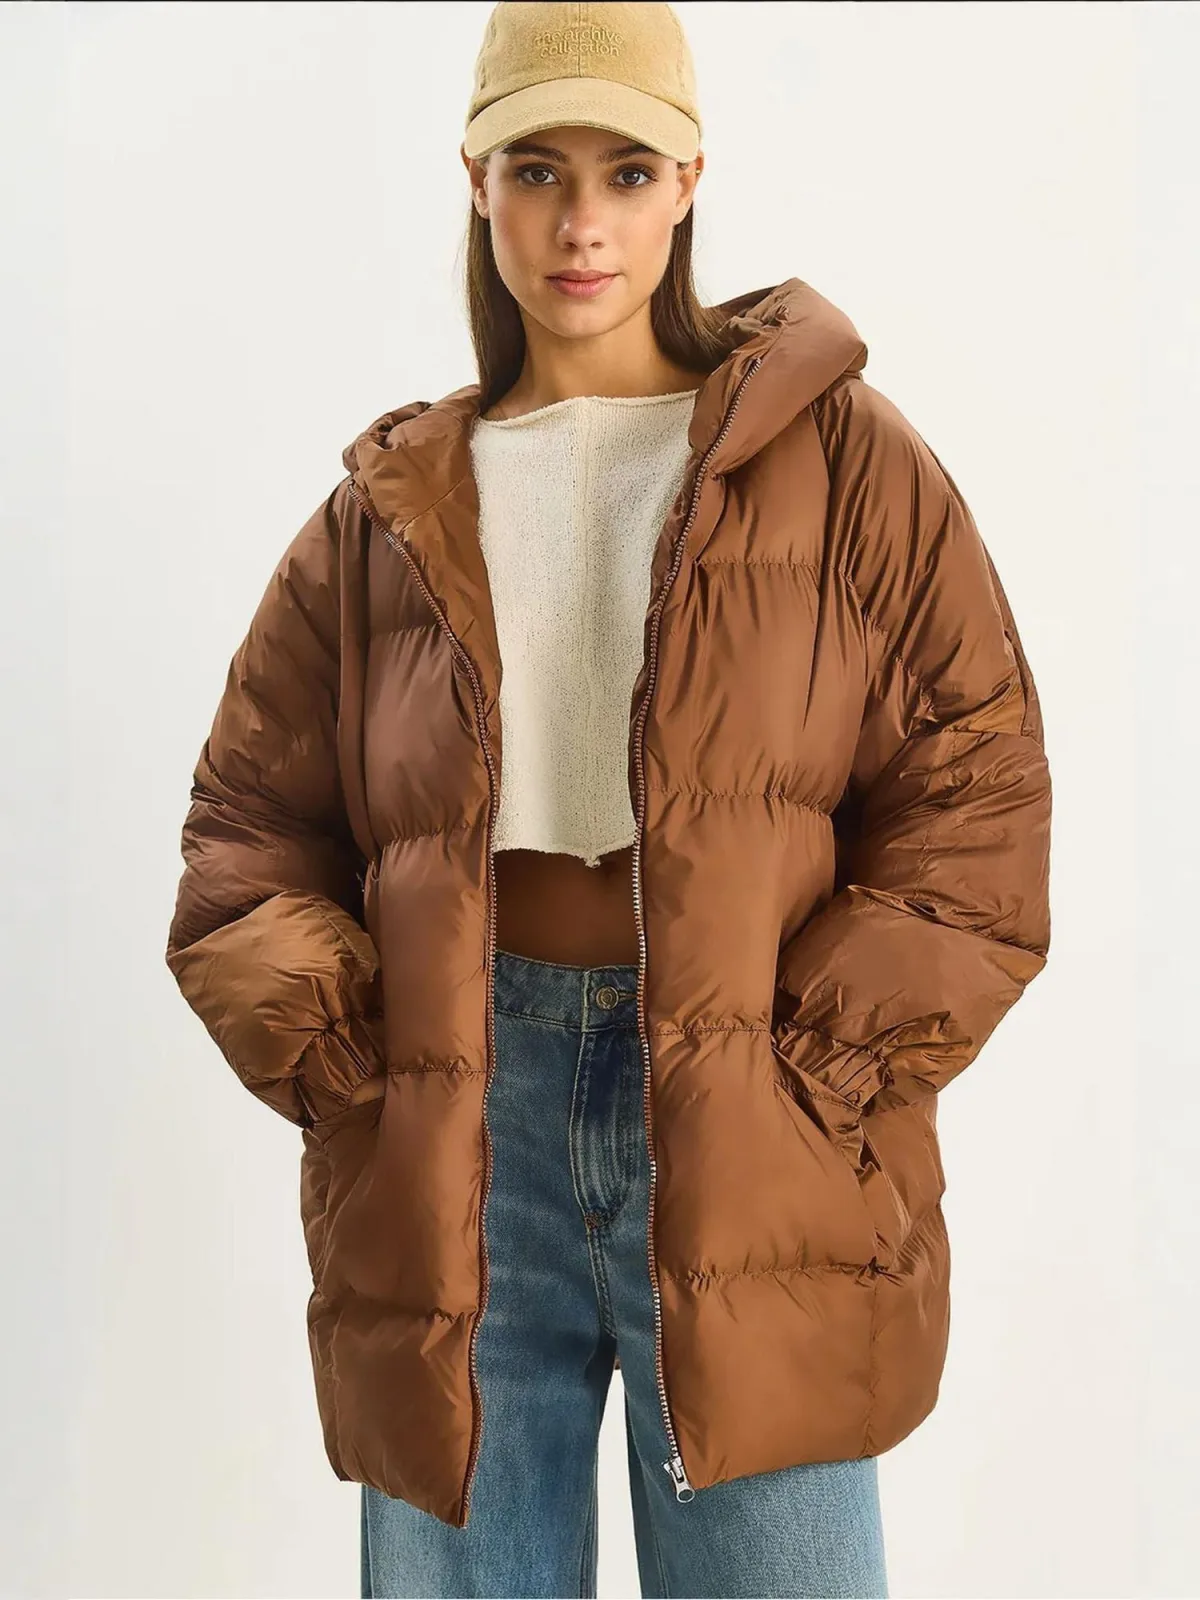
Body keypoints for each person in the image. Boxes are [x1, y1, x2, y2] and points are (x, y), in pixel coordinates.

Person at [163, 3, 1053, 1596]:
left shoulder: (847, 464)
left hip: (745, 1115)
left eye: (628, 172)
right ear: (477, 181)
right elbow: (245, 843)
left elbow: (977, 800)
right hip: (463, 1132)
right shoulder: (383, 518)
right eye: (538, 170)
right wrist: (359, 1069)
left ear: (690, 181)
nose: (583, 222)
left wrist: (816, 1068)